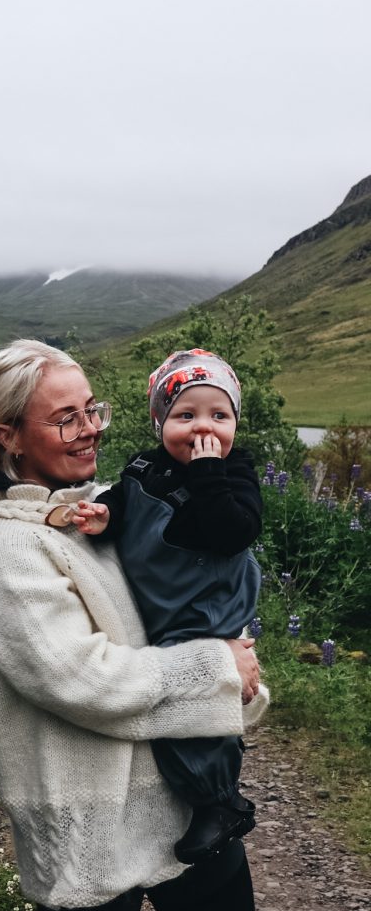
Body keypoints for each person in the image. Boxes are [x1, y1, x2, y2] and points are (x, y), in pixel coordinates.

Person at [0, 339, 268, 911]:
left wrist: (230, 662)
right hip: (89, 819)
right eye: (64, 418)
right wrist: (220, 670)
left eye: (90, 410)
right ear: (9, 435)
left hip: (174, 795)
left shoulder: (99, 509)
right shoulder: (11, 549)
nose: (90, 429)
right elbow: (83, 679)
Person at [66, 348, 262, 863]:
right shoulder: (144, 466)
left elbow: (234, 531)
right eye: (186, 415)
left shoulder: (234, 472)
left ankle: (219, 800)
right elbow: (123, 500)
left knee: (188, 699)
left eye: (219, 416)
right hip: (162, 602)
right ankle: (206, 793)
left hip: (205, 604)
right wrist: (104, 515)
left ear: (235, 423)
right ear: (160, 422)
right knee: (170, 691)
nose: (204, 428)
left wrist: (208, 474)